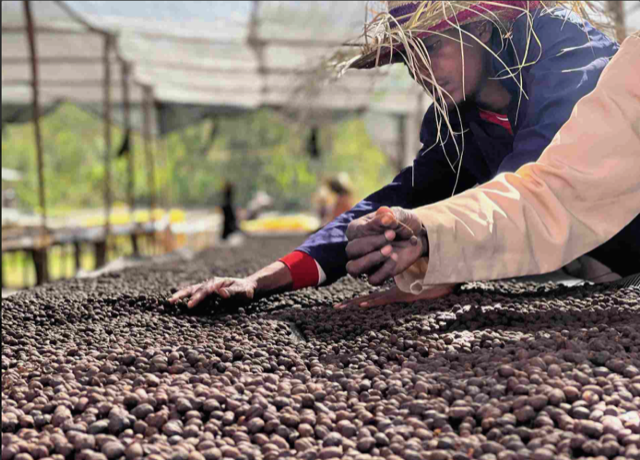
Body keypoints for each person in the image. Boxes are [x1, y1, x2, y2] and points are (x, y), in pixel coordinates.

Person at [169, 1, 627, 309]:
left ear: (481, 28)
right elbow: (399, 199)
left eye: (432, 47)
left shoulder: (566, 54)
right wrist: (263, 280)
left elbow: (537, 184)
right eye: (411, 57)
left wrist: (440, 246)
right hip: (609, 272)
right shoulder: (459, 121)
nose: (424, 71)